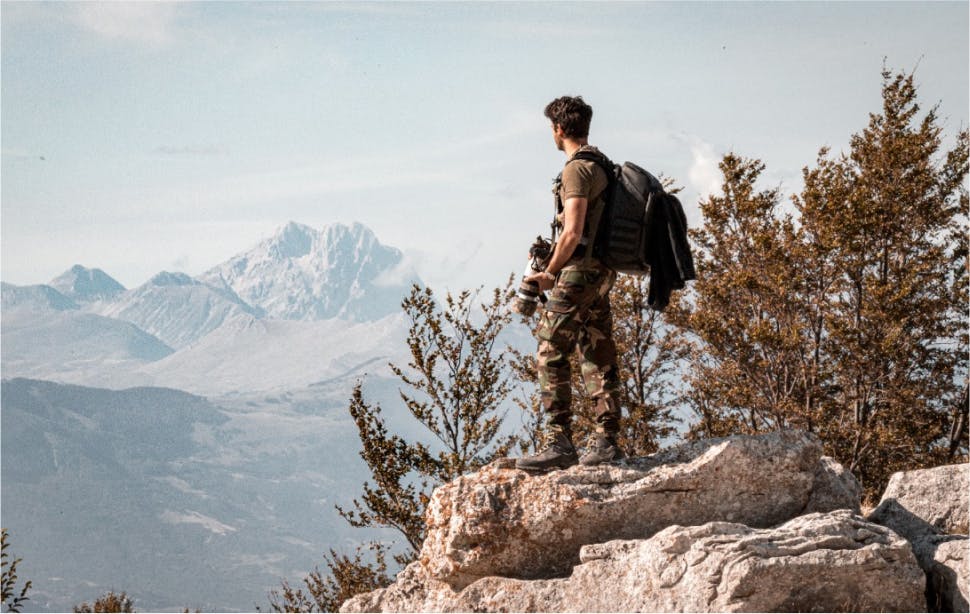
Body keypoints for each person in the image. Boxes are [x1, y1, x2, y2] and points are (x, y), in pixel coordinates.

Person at [516, 95, 624, 472]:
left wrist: (549, 271)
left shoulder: (576, 170)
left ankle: (558, 442)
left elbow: (573, 231)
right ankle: (607, 440)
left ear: (558, 129)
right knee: (598, 349)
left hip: (579, 271)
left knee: (551, 346)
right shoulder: (604, 166)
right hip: (602, 272)